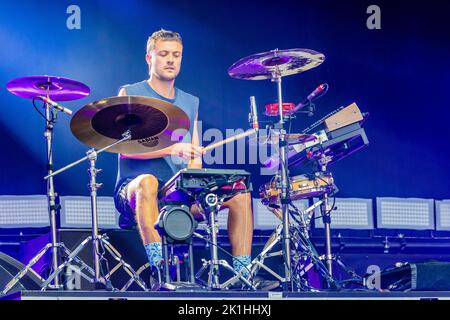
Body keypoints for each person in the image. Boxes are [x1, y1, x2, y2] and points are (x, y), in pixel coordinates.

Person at [113, 29, 254, 282]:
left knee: (240, 194)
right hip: (134, 191)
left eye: (176, 55)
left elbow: (195, 158)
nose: (170, 60)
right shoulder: (130, 92)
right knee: (148, 181)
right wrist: (170, 149)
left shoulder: (190, 102)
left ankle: (243, 276)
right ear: (149, 58)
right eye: (164, 54)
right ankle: (161, 272)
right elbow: (124, 148)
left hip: (175, 193)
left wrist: (197, 176)